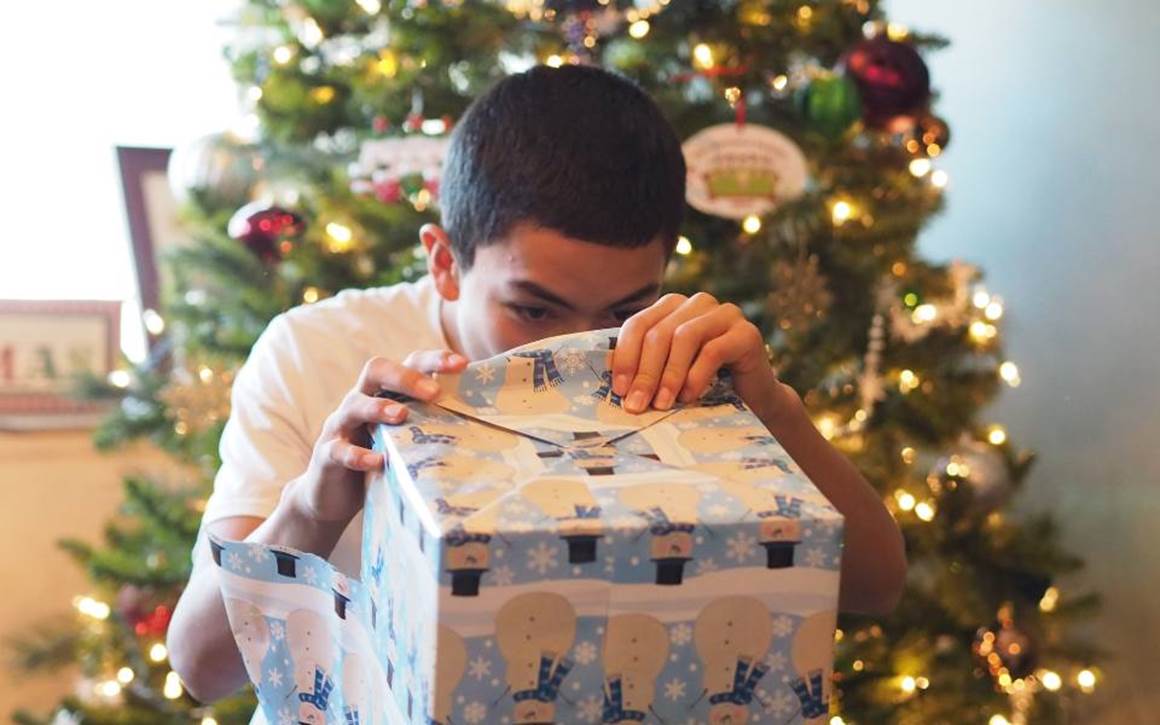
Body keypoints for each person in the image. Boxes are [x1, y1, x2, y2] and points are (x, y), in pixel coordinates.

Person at [168, 63, 906, 708]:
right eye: (533, 309)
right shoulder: (314, 352)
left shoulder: (680, 358)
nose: (573, 347)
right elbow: (201, 668)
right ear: (445, 262)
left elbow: (875, 587)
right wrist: (311, 506)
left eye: (621, 311)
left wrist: (771, 410)